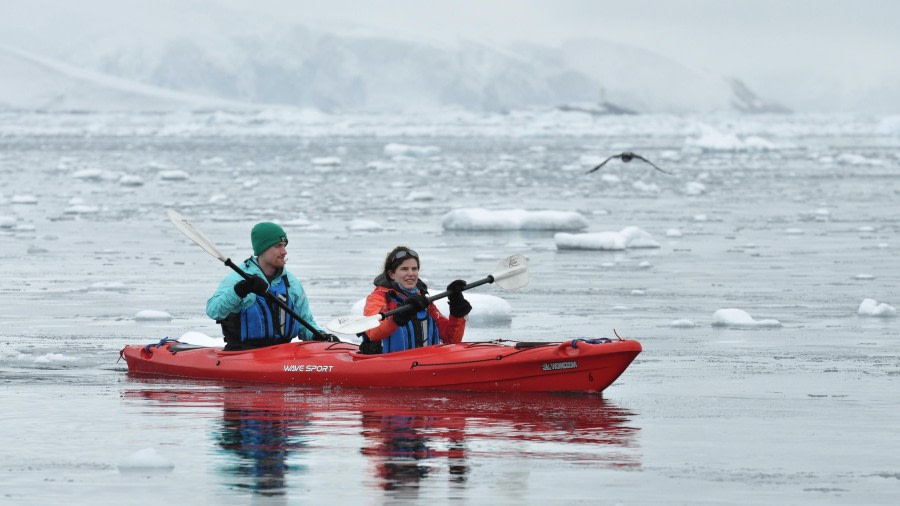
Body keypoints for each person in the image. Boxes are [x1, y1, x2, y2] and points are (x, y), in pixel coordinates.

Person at [206, 222, 336, 350]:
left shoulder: (291, 283)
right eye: (278, 246)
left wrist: (320, 335)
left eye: (284, 246)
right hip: (243, 354)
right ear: (263, 248)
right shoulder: (239, 278)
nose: (284, 251)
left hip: (282, 355)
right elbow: (213, 311)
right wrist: (240, 290)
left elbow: (306, 323)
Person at [360, 246, 472, 354]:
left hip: (425, 362)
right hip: (392, 365)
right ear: (391, 274)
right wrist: (399, 316)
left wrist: (457, 308)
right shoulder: (378, 298)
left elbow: (450, 338)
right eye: (404, 269)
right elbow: (372, 332)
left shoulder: (423, 300)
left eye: (414, 269)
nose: (411, 274)